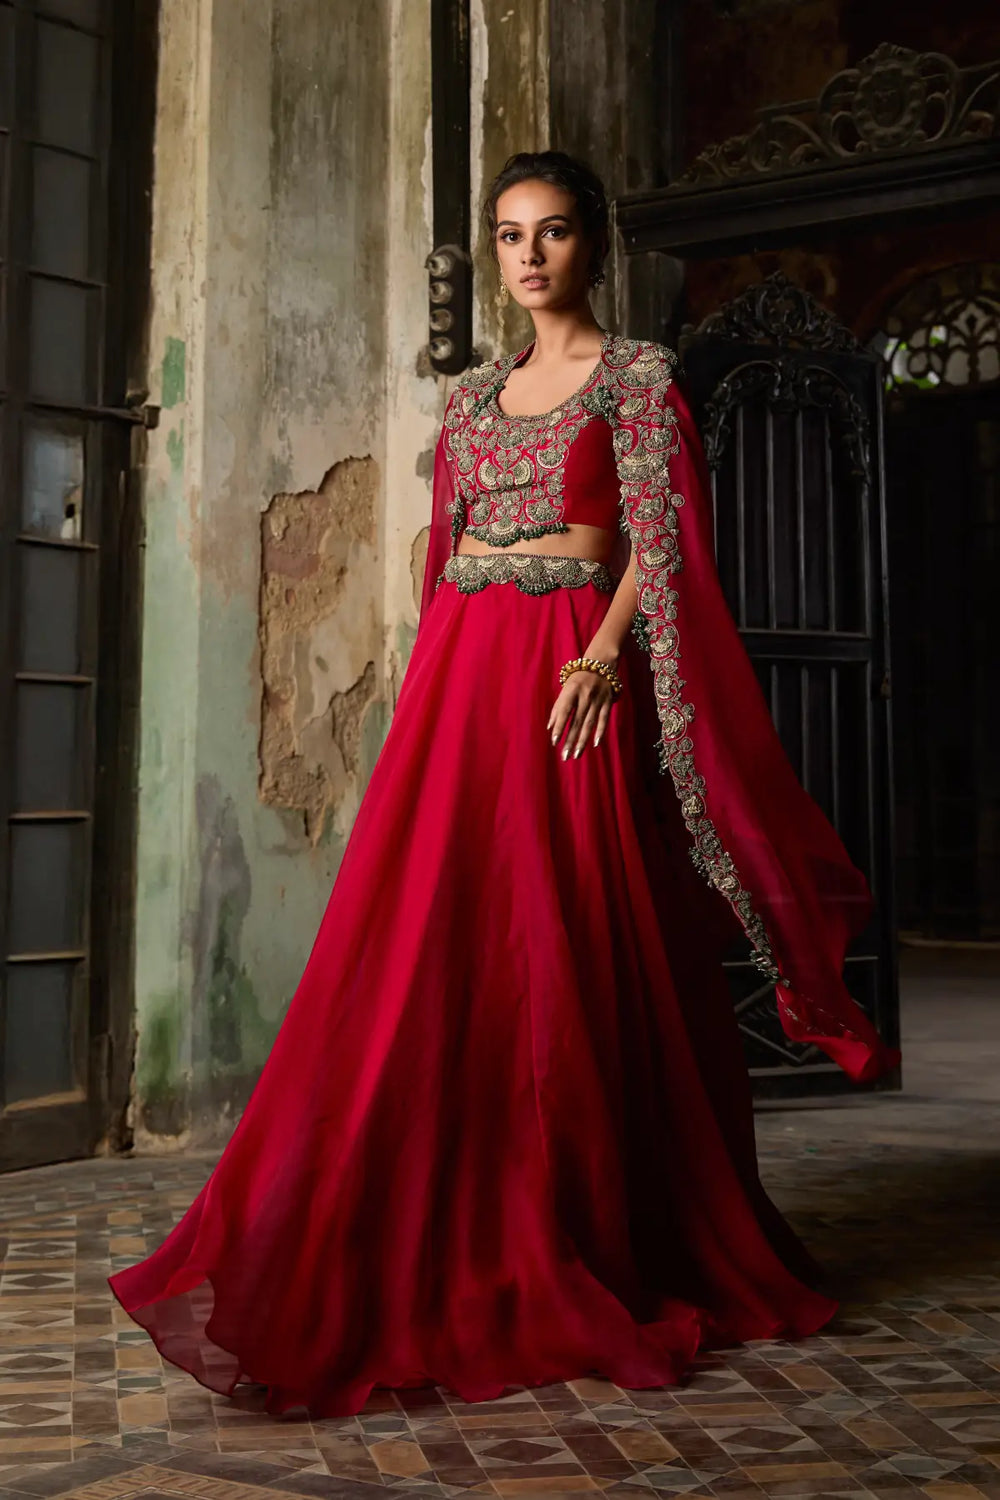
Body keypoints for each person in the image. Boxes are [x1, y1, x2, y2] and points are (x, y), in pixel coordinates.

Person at [109, 151, 898, 1418]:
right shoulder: (472, 399)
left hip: (567, 671)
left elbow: (665, 545)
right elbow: (449, 556)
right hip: (467, 667)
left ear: (596, 245)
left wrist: (598, 654)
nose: (528, 256)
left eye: (554, 232)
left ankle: (577, 1215)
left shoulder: (638, 383)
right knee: (432, 935)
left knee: (564, 934)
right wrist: (431, 695)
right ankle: (412, 1214)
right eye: (508, 235)